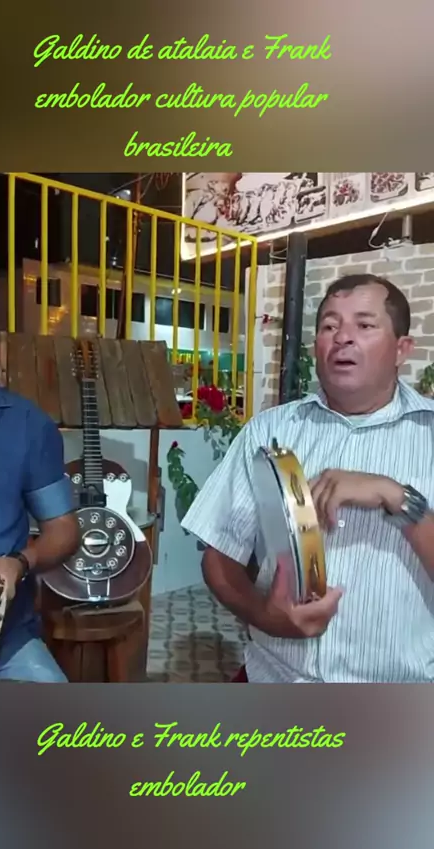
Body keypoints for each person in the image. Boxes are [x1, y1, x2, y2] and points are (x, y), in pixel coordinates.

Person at [182, 273, 434, 683]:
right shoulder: (268, 432)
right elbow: (219, 556)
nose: (343, 338)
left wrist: (395, 496)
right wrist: (266, 616)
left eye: (364, 325)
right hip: (275, 680)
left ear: (401, 349)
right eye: (330, 326)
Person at [0, 276, 80, 681]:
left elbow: (63, 529)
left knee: (61, 716)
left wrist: (21, 563)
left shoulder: (25, 425)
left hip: (1, 643)